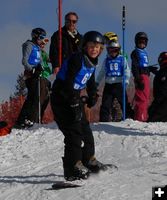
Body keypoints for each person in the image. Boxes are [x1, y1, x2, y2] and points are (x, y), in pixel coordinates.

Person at [50, 31, 106, 181]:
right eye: (92, 46)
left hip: (73, 97)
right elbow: (68, 81)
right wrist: (73, 101)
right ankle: (72, 167)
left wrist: (93, 95)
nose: (95, 49)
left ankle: (89, 160)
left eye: (98, 47)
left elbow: (90, 81)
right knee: (73, 133)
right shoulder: (77, 59)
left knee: (86, 130)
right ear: (84, 46)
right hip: (61, 98)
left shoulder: (92, 62)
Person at [14, 28, 48, 128]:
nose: (42, 40)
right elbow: (24, 61)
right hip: (31, 75)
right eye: (41, 37)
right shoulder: (29, 45)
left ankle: (25, 119)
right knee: (33, 97)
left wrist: (40, 67)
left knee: (34, 97)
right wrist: (32, 69)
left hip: (37, 75)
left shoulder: (37, 47)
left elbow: (40, 60)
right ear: (35, 36)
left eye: (43, 38)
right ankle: (25, 119)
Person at [96, 39, 132, 122]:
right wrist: (97, 82)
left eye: (115, 50)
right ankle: (103, 121)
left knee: (123, 102)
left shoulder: (122, 59)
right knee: (105, 104)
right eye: (111, 50)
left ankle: (129, 118)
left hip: (118, 84)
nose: (113, 52)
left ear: (118, 50)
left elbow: (126, 70)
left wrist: (126, 80)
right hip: (109, 84)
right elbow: (102, 72)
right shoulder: (106, 60)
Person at [131, 32, 151, 122]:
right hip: (141, 77)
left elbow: (142, 66)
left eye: (144, 41)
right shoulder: (136, 52)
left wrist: (149, 69)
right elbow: (135, 66)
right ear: (136, 42)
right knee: (141, 98)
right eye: (140, 41)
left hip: (145, 76)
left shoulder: (144, 52)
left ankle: (143, 115)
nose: (142, 43)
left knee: (146, 98)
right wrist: (138, 79)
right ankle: (140, 118)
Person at [148, 52, 167, 122]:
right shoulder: (162, 72)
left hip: (163, 101)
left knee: (153, 119)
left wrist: (155, 104)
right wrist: (155, 71)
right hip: (161, 100)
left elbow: (163, 89)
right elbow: (162, 76)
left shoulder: (163, 71)